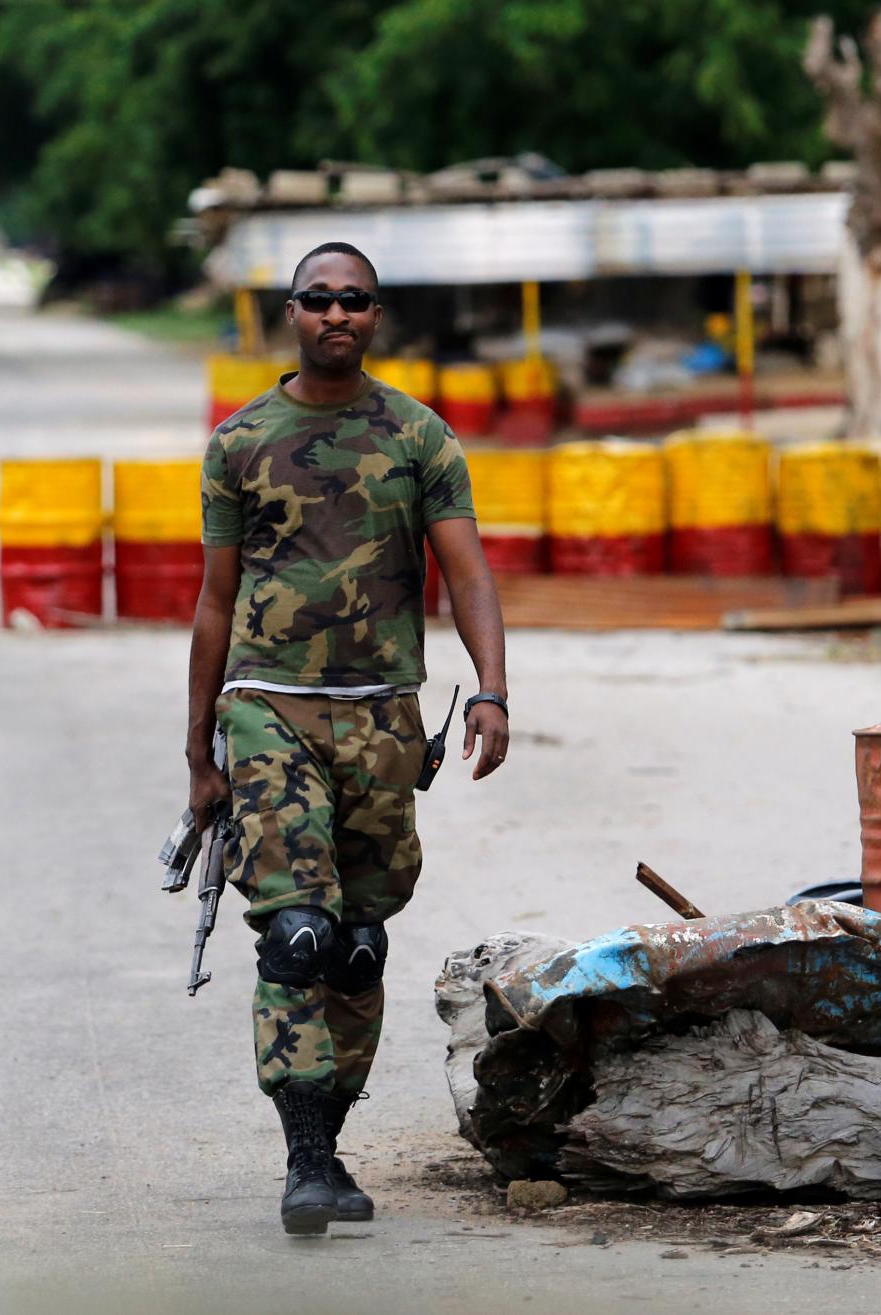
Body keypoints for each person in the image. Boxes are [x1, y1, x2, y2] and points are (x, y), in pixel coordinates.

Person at [184, 241, 510, 1235]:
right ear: (290, 311)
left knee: (359, 944)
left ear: (376, 314)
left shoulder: (418, 438)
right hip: (266, 700)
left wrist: (492, 689)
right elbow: (213, 600)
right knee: (299, 930)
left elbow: (466, 575)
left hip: (382, 711)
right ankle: (306, 1157)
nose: (335, 314)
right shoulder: (240, 441)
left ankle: (329, 1131)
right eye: (317, 299)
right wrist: (199, 751)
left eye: (353, 300)